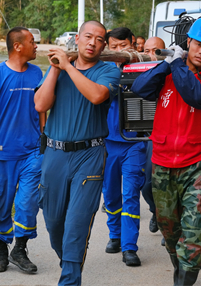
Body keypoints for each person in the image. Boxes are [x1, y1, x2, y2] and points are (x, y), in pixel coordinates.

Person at [132, 16, 201, 286]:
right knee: (170, 231)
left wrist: (176, 66)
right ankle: (181, 267)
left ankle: (184, 277)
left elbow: (194, 95)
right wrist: (166, 65)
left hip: (198, 165)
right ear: (189, 43)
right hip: (162, 162)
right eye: (198, 45)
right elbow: (139, 89)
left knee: (193, 233)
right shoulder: (171, 71)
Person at [34, 21, 120, 285]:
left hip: (89, 156)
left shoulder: (108, 71)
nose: (92, 42)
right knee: (54, 224)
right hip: (54, 155)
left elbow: (96, 96)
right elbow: (40, 104)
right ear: (78, 39)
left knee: (76, 224)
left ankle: (70, 278)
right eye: (88, 37)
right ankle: (69, 261)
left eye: (99, 39)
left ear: (104, 45)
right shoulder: (58, 71)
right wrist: (55, 68)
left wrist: (68, 66)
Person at [0, 27, 45, 274]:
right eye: (32, 42)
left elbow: (42, 109)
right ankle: (2, 251)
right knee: (1, 203)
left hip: (32, 152)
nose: (36, 46)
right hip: (2, 153)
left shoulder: (38, 73)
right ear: (18, 46)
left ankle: (20, 250)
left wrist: (46, 140)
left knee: (28, 202)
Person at [102, 27, 147, 266]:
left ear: (133, 43)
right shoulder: (102, 70)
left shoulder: (145, 67)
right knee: (110, 193)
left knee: (130, 193)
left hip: (134, 142)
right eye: (114, 47)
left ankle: (130, 247)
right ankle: (115, 235)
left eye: (123, 46)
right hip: (107, 141)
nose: (119, 51)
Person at [141, 36, 167, 234]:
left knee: (159, 181)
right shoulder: (138, 72)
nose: (150, 55)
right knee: (145, 184)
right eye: (146, 50)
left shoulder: (171, 72)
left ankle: (166, 221)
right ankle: (155, 211)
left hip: (162, 134)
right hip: (138, 135)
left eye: (155, 51)